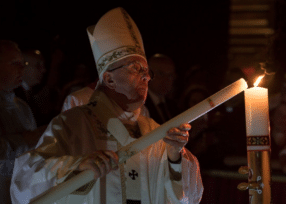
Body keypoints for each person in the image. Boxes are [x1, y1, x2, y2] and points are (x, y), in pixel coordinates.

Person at [10, 7, 203, 204]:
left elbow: (189, 196)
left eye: (147, 71)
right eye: (136, 68)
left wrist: (173, 156)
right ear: (109, 79)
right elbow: (25, 181)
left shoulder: (154, 132)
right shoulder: (73, 124)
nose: (146, 76)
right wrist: (76, 165)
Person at [0, 40, 45, 204]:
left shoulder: (22, 107)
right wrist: (25, 140)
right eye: (14, 63)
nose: (22, 69)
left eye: (22, 63)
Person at [145, 53, 179, 124]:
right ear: (148, 74)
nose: (166, 79)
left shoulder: (173, 106)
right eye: (161, 74)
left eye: (170, 75)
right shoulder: (140, 105)